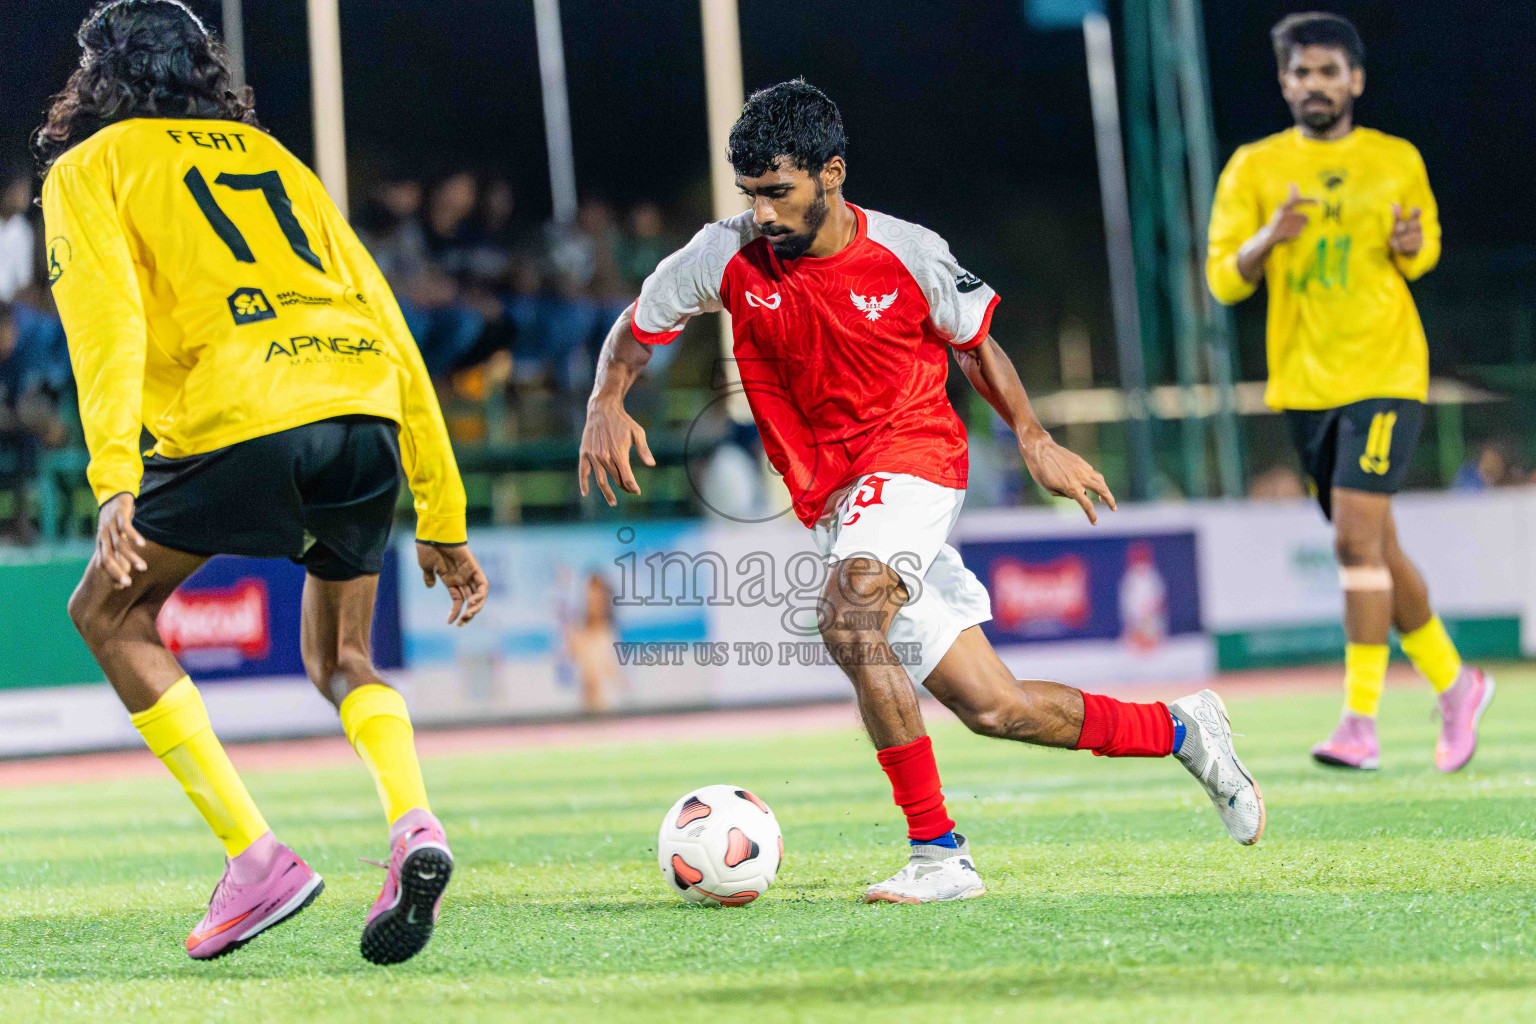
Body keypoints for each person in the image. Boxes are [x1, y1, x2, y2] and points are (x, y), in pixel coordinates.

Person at [580, 79, 1264, 904]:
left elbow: (975, 344)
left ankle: (939, 855)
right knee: (995, 707)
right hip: (837, 501)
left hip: (915, 455)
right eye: (750, 193)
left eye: (778, 192)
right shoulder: (723, 254)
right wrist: (605, 400)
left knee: (847, 614)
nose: (762, 212)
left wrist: (1034, 437)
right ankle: (1185, 730)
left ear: (832, 174)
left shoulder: (908, 252)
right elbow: (637, 328)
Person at [34, 0, 488, 963]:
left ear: (100, 77)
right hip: (363, 406)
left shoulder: (92, 165)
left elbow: (105, 325)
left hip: (245, 409)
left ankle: (256, 859)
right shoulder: (275, 159)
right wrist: (442, 511)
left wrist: (115, 475)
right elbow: (388, 320)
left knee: (107, 611)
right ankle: (414, 823)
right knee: (342, 657)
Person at [1206, 12, 1492, 773]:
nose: (1316, 84)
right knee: (1377, 546)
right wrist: (1267, 237)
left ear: (1355, 80)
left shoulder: (1395, 159)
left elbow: (1424, 247)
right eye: (1302, 72)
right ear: (1284, 82)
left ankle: (1359, 722)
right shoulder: (1255, 167)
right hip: (1304, 385)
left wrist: (1411, 246)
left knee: (1353, 544)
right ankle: (1456, 685)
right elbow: (1223, 279)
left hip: (1386, 371)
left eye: (1329, 71)